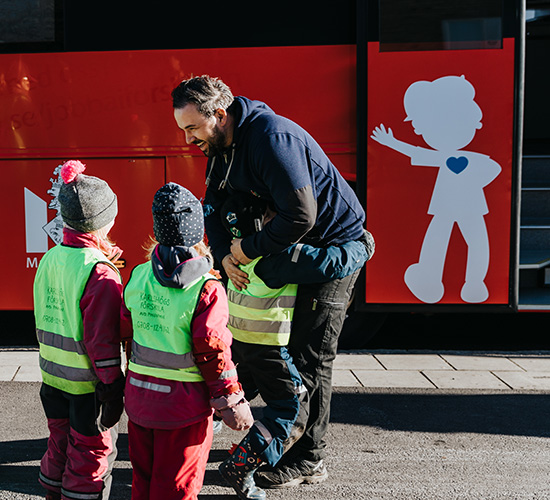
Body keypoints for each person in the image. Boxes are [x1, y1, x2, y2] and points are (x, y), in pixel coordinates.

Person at [171, 75, 373, 489]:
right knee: (268, 347)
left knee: (311, 356)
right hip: (285, 252)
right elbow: (216, 205)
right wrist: (226, 256)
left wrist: (247, 250)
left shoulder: (271, 139)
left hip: (330, 248)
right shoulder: (223, 145)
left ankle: (308, 459)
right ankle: (270, 430)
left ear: (220, 115)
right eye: (184, 130)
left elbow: (301, 215)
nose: (188, 139)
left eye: (192, 128)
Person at [120, 182, 254, 500]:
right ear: (198, 232)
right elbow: (213, 350)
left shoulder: (139, 276)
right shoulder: (206, 289)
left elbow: (125, 333)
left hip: (139, 403)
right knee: (176, 488)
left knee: (144, 483)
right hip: (183, 411)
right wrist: (231, 402)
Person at [33, 160, 125, 500]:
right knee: (91, 456)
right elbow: (102, 343)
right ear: (105, 221)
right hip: (88, 388)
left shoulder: (50, 258)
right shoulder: (100, 274)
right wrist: (112, 390)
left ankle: (52, 494)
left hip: (52, 379)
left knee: (59, 446)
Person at [217, 193, 307, 500]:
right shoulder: (281, 255)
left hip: (239, 339)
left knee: (245, 385)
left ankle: (208, 425)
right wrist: (359, 248)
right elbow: (330, 263)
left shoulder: (235, 253)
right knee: (289, 409)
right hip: (268, 344)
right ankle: (242, 465)